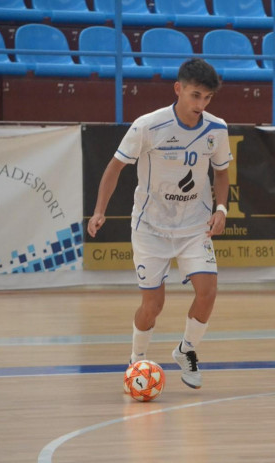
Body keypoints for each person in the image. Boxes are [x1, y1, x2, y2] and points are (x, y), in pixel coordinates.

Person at [87, 58, 231, 390]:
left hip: (195, 225)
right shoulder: (147, 126)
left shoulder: (217, 129)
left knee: (208, 292)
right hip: (150, 227)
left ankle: (187, 350)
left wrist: (221, 208)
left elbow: (221, 172)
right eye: (195, 96)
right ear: (178, 89)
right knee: (153, 305)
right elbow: (114, 168)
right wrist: (99, 211)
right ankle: (136, 359)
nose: (201, 105)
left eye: (207, 98)